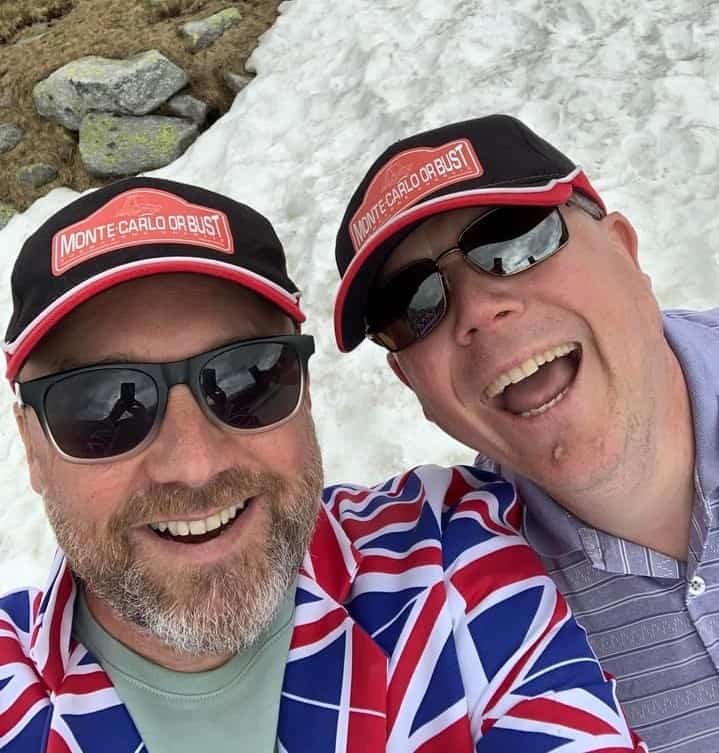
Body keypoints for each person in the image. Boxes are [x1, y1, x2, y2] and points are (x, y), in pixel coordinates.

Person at [0, 176, 645, 753]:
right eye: (103, 405)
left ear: (305, 393)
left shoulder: (446, 555)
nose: (192, 466)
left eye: (247, 378)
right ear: (31, 445)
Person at [332, 113, 719, 751]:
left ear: (626, 251)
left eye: (515, 242)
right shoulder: (462, 617)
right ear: (411, 384)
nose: (480, 312)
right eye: (414, 306)